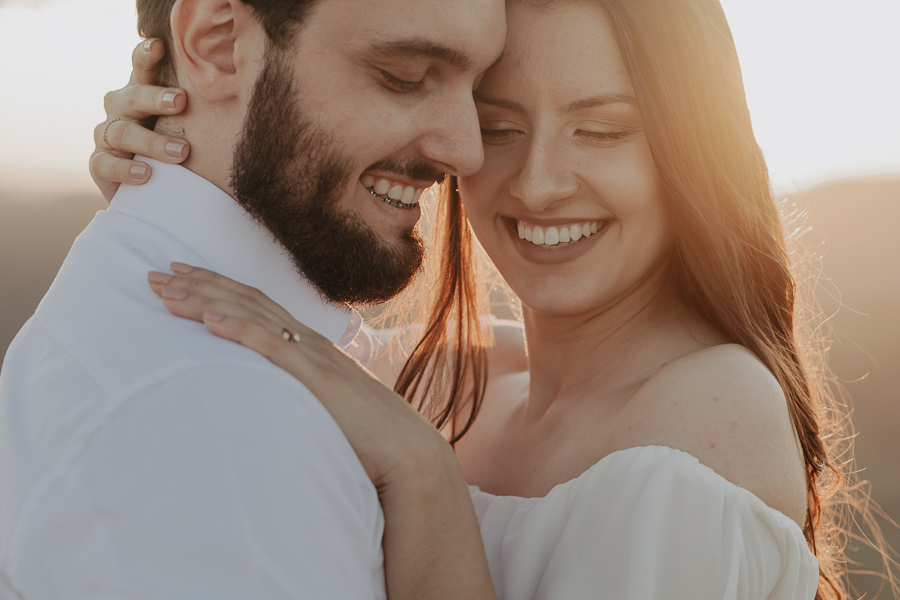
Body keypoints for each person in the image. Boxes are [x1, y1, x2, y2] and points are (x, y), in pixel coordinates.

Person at [88, 1, 863, 599]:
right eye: (498, 128)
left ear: (691, 151)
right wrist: (174, 171)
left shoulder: (707, 410)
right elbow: (222, 341)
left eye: (600, 131)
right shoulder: (441, 371)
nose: (537, 184)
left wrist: (424, 475)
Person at [0, 0, 507, 598]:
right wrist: (426, 476)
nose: (466, 150)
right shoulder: (227, 428)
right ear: (216, 45)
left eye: (483, 95)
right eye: (406, 76)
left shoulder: (178, 329)